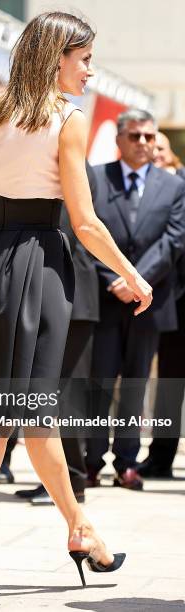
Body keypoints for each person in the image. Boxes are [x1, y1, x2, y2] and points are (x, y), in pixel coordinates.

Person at [0, 12, 152, 601]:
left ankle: (76, 531)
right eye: (84, 59)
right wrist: (132, 274)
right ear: (57, 59)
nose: (90, 70)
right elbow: (83, 222)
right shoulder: (66, 120)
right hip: (39, 266)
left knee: (12, 412)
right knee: (21, 409)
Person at [85, 110, 185, 491]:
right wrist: (115, 279)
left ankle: (127, 462)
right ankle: (91, 461)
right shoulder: (95, 178)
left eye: (148, 136)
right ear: (119, 139)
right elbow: (85, 229)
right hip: (105, 297)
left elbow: (173, 240)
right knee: (99, 381)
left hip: (149, 300)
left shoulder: (173, 185)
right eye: (135, 136)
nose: (143, 143)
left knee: (136, 383)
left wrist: (137, 281)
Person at [15, 162, 99, 505]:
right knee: (50, 393)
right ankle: (56, 481)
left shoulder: (72, 161)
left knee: (67, 395)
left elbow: (70, 229)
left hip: (71, 294)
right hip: (57, 291)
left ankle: (74, 483)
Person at [137, 134, 185, 478]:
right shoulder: (145, 193)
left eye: (160, 149)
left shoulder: (178, 188)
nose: (153, 154)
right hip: (173, 303)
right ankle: (161, 456)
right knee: (170, 382)